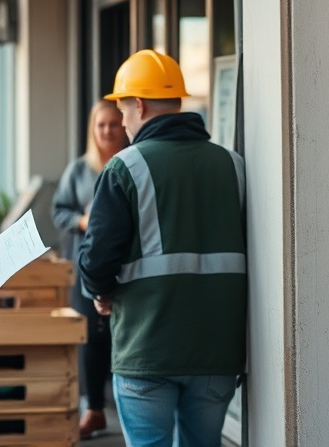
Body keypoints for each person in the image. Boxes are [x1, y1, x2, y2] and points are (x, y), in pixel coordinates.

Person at [78, 50, 246, 447]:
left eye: (122, 110)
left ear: (138, 104)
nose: (121, 121)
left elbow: (97, 259)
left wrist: (100, 293)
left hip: (147, 348)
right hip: (216, 350)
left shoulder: (125, 167)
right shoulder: (233, 164)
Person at [52, 99, 128, 439]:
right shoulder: (79, 170)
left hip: (125, 267)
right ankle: (94, 409)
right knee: (91, 340)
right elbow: (59, 212)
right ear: (92, 130)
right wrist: (84, 221)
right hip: (86, 269)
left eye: (114, 124)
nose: (108, 131)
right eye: (101, 125)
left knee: (121, 337)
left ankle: (128, 412)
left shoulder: (132, 164)